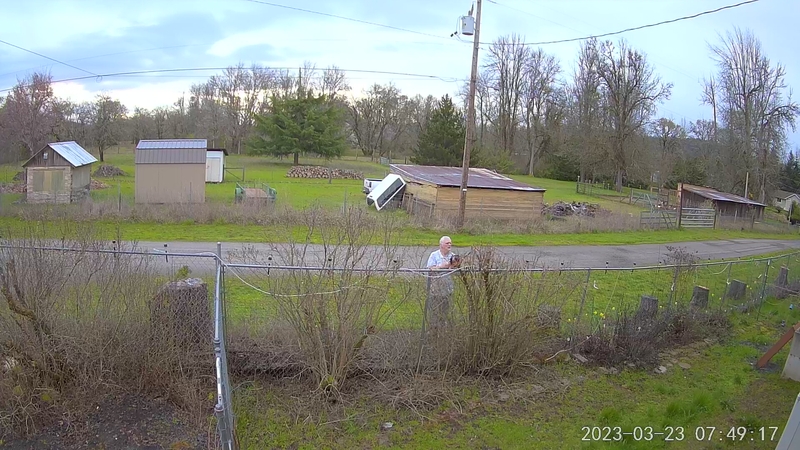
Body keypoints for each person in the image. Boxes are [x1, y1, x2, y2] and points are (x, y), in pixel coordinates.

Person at [425, 236, 460, 333]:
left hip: (447, 290)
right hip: (435, 290)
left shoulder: (452, 256)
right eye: (447, 243)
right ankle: (433, 331)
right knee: (434, 312)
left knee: (445, 312)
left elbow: (456, 273)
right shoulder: (434, 255)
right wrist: (441, 266)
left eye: (450, 243)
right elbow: (430, 270)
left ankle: (443, 332)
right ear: (441, 245)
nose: (450, 245)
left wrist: (453, 267)